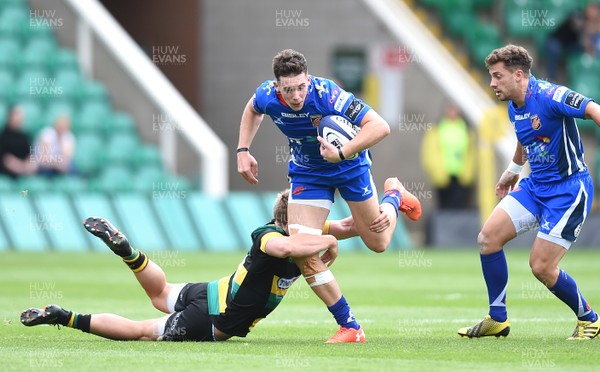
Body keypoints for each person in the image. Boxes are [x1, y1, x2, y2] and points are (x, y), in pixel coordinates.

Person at [237, 49, 421, 338]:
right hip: (308, 172)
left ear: (308, 80)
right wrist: (243, 150)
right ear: (277, 87)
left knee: (378, 242)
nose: (296, 95)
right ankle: (349, 325)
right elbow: (252, 109)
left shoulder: (328, 94)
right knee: (302, 249)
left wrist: (342, 152)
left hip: (349, 165)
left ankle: (394, 195)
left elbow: (380, 126)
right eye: (289, 89)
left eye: (301, 87)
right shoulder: (266, 94)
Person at [20, 190, 367, 343]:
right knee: (143, 331)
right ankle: (65, 317)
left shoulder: (302, 232)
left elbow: (353, 226)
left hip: (214, 291)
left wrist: (388, 204)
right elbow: (288, 246)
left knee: (161, 293)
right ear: (295, 216)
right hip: (214, 320)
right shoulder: (269, 238)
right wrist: (330, 240)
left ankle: (128, 252)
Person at [457, 44, 600, 340]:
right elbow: (527, 138)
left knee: (541, 267)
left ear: (518, 75)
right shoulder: (514, 105)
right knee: (487, 239)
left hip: (568, 190)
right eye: (491, 76)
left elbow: (592, 108)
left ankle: (590, 320)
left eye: (497, 76)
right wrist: (512, 169)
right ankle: (498, 318)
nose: (492, 83)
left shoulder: (550, 95)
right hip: (535, 186)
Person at [421, 102, 476, 210]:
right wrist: (435, 171)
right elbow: (430, 151)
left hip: (462, 176)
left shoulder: (466, 128)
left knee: (460, 206)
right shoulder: (437, 128)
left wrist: (469, 172)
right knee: (444, 206)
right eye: (449, 109)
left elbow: (471, 153)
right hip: (443, 175)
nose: (452, 113)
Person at [0, 106, 38, 178]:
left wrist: (27, 165)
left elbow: (29, 154)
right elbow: (5, 159)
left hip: (24, 168)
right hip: (8, 171)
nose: (18, 119)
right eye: (16, 115)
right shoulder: (3, 136)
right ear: (9, 117)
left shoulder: (24, 136)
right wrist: (20, 167)